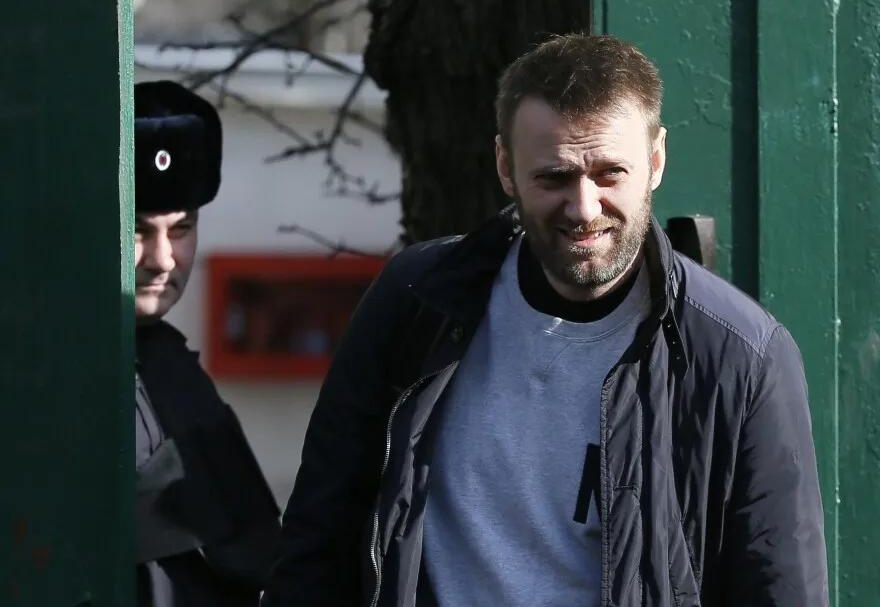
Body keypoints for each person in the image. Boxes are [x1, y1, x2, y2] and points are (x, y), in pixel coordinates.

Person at [260, 34, 829, 607]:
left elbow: (778, 589)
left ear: (655, 161)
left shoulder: (742, 356)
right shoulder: (416, 302)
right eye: (554, 176)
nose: (583, 208)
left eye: (609, 174)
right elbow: (318, 540)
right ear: (506, 168)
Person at [133, 80, 281, 607]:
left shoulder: (168, 361)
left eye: (181, 228)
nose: (162, 259)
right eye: (136, 230)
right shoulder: (47, 374)